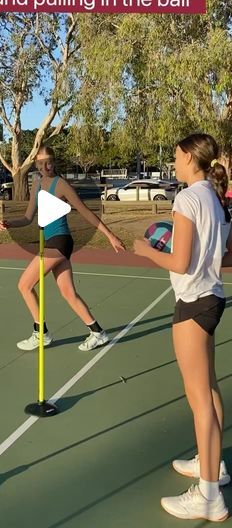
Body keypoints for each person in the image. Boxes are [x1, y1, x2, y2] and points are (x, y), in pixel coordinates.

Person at [133, 133, 231, 522]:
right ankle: (214, 468)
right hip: (212, 298)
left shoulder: (188, 198)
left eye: (176, 155)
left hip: (193, 303)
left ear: (191, 157)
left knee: (199, 400)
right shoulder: (215, 198)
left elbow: (178, 262)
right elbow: (223, 254)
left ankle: (208, 497)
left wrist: (147, 249)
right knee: (209, 388)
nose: (174, 161)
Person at [0, 145, 125, 351]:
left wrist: (110, 236)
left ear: (54, 162)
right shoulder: (37, 183)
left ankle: (40, 333)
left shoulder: (61, 185)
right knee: (68, 292)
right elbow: (28, 217)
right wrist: (10, 223)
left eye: (48, 162)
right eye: (40, 163)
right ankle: (98, 332)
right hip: (51, 241)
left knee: (24, 285)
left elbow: (85, 212)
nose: (44, 166)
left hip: (59, 241)